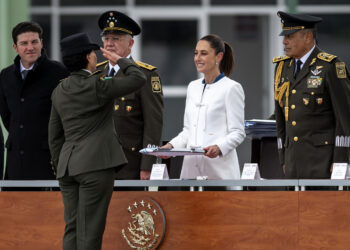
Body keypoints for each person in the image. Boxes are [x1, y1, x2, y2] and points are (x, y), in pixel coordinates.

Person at [49, 33, 146, 250]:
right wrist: (118, 59)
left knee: (72, 228)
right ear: (88, 57)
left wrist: (60, 166)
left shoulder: (59, 91)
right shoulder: (97, 85)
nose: (95, 56)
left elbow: (54, 136)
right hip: (95, 166)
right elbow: (139, 78)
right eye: (93, 52)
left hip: (67, 167)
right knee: (90, 231)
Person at [273, 11, 350, 179]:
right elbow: (281, 118)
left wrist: (341, 162)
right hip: (292, 162)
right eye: (284, 37)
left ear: (308, 37)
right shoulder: (282, 68)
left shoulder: (330, 66)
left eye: (290, 36)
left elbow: (345, 118)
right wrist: (283, 158)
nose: (284, 42)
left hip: (323, 162)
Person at [162, 34, 246, 180]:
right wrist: (170, 147)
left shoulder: (231, 88)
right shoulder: (192, 87)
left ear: (219, 57)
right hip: (190, 173)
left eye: (204, 53)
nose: (197, 58)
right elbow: (188, 131)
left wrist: (219, 147)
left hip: (220, 173)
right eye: (196, 53)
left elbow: (238, 132)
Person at [96, 10, 163, 180]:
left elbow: (153, 125)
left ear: (131, 43)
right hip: (96, 165)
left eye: (116, 39)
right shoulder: (95, 73)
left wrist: (147, 166)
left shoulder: (145, 75)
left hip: (129, 165)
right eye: (106, 39)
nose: (110, 44)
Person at [0, 21, 69, 180]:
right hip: (16, 161)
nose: (30, 47)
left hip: (47, 161)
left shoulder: (59, 72)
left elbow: (67, 116)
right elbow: (7, 117)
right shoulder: (5, 76)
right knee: (15, 205)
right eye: (24, 43)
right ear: (15, 48)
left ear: (41, 43)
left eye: (34, 42)